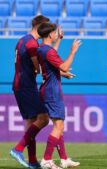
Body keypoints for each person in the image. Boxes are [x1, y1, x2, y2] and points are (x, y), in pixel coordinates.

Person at [37, 22, 81, 169]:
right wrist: (73, 51)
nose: (56, 34)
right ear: (50, 34)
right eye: (55, 33)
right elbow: (64, 66)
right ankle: (46, 159)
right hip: (52, 91)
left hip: (46, 88)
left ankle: (64, 159)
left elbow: (53, 62)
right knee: (59, 125)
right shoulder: (48, 52)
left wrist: (59, 40)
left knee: (58, 125)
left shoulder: (42, 49)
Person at [10, 15, 50, 169]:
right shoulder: (32, 44)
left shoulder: (22, 40)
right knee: (44, 118)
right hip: (26, 86)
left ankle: (32, 161)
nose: (46, 30)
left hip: (21, 84)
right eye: (45, 27)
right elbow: (37, 68)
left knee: (31, 122)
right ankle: (18, 149)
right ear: (39, 26)